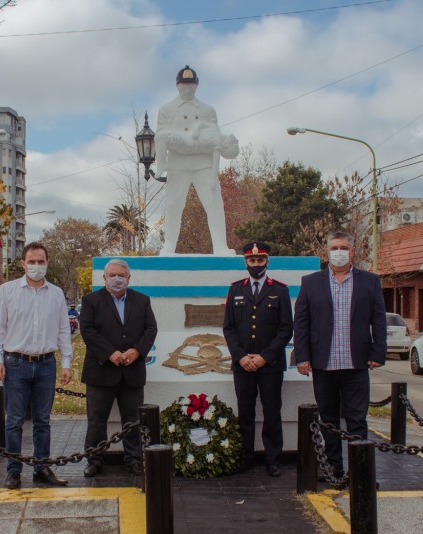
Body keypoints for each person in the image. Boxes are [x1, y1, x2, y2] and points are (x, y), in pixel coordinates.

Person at [293, 232, 387, 486]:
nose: (339, 251)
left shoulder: (369, 281)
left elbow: (378, 319)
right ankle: (333, 467)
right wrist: (302, 356)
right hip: (324, 364)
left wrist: (378, 352)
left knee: (357, 419)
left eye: (344, 247)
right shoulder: (311, 282)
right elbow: (301, 323)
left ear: (352, 251)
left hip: (356, 364)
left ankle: (360, 472)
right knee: (328, 420)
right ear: (327, 252)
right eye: (334, 247)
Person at [0, 243, 73, 490]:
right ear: (23, 264)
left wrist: (66, 362)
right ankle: (13, 470)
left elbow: (63, 329)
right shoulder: (7, 291)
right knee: (14, 421)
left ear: (47, 263)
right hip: (15, 363)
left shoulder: (56, 293)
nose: (37, 266)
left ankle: (41, 467)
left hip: (46, 363)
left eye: (41, 261)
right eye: (32, 262)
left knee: (43, 421)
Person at [79, 259, 158, 478]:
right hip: (101, 371)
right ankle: (95, 459)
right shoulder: (91, 301)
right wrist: (109, 353)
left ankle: (134, 460)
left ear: (128, 278)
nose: (117, 279)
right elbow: (87, 331)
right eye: (112, 275)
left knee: (132, 420)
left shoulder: (142, 300)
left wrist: (137, 351)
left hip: (132, 371)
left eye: (121, 275)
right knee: (96, 421)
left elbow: (151, 329)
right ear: (104, 278)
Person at [222, 242, 293, 477]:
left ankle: (273, 459)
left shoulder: (280, 290)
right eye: (252, 261)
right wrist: (241, 357)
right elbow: (229, 328)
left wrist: (265, 357)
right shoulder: (235, 290)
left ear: (267, 261)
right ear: (245, 262)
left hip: (270, 365)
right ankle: (246, 457)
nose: (256, 264)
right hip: (242, 365)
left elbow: (285, 329)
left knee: (272, 412)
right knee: (245, 412)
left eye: (260, 260)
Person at [156, 65, 239, 255]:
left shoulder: (208, 110)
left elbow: (214, 135)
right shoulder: (166, 110)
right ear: (177, 86)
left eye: (191, 86)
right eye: (184, 86)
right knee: (174, 205)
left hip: (204, 165)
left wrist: (222, 143)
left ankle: (220, 246)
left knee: (214, 205)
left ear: (196, 86)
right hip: (178, 164)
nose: (187, 90)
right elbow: (161, 134)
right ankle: (169, 245)